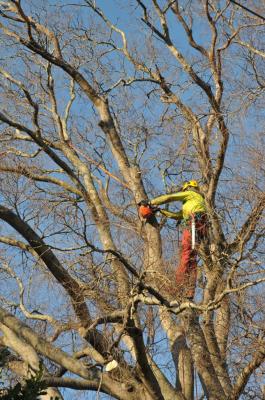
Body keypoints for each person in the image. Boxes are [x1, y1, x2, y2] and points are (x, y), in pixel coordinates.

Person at [150, 180, 207, 300]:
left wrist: (151, 202)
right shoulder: (194, 201)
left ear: (188, 188)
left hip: (193, 223)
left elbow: (171, 197)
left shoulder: (191, 194)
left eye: (184, 190)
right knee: (192, 259)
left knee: (186, 255)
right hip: (200, 226)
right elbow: (177, 215)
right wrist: (161, 211)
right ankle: (190, 291)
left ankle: (176, 287)